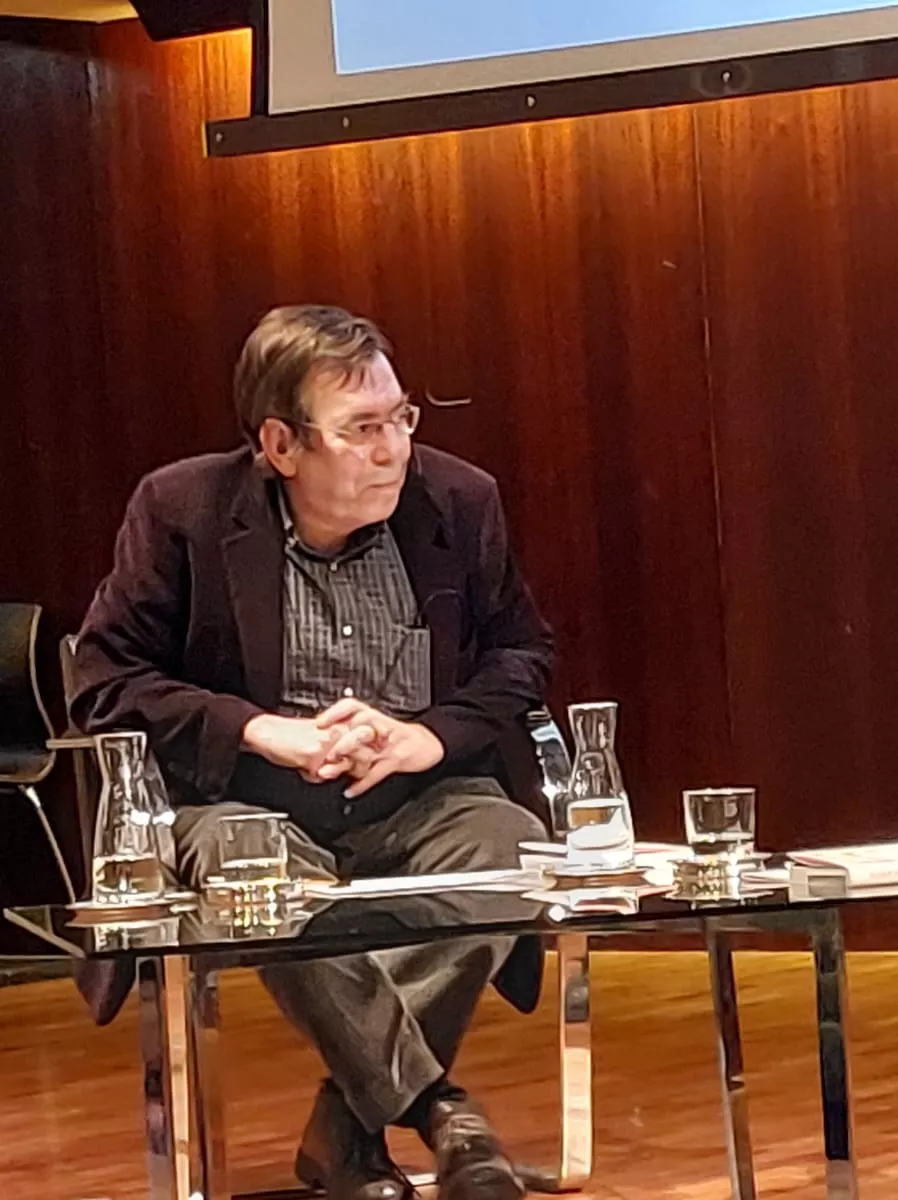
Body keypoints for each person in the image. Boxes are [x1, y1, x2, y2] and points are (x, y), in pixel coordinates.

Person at [71, 305, 556, 1200]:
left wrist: (425, 737)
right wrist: (259, 729)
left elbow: (524, 654)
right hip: (241, 798)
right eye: (361, 429)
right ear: (282, 445)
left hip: (412, 793)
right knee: (252, 863)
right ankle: (445, 1112)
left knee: (509, 843)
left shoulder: (457, 500)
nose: (393, 449)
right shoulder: (182, 511)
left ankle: (350, 1128)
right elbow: (102, 678)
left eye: (401, 418)